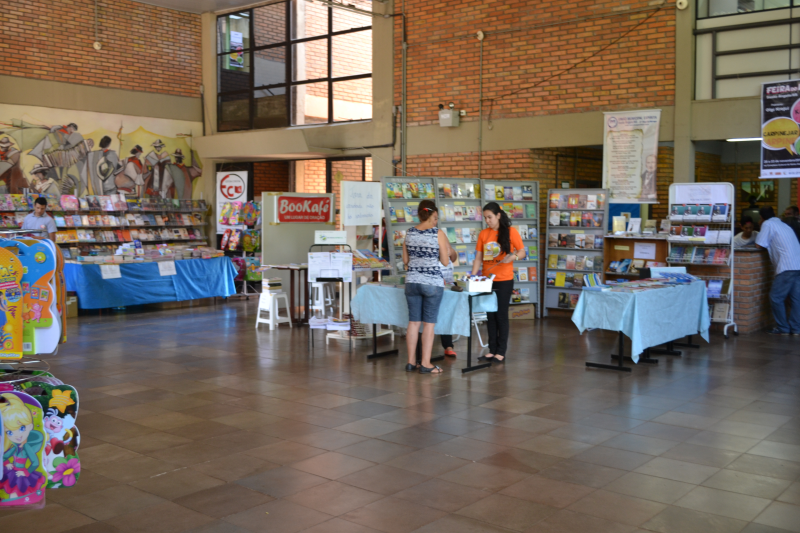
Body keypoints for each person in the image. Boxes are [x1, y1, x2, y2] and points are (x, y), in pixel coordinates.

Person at [472, 202, 526, 362]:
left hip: (504, 280)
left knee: (501, 315)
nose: (487, 220)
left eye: (490, 217)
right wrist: (473, 276)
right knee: (490, 315)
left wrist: (513, 257)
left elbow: (522, 252)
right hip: (486, 280)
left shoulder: (511, 232)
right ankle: (492, 350)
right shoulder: (483, 234)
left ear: (498, 215)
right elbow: (478, 258)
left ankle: (501, 352)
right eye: (485, 218)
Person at [402, 199, 450, 374]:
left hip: (412, 282)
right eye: (436, 217)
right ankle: (426, 364)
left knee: (413, 322)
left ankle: (410, 362)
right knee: (429, 324)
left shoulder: (409, 232)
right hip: (432, 283)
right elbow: (445, 261)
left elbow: (405, 260)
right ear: (433, 215)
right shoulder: (438, 233)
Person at [755, 206, 800, 335]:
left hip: (786, 266)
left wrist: (761, 224)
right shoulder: (783, 224)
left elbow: (759, 244)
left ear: (761, 217)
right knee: (796, 298)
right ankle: (796, 329)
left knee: (776, 297)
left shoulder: (768, 224)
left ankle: (783, 328)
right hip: (797, 265)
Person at [440, 243, 459, 358]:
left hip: (448, 286)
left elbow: (454, 257)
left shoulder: (444, 242)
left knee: (446, 316)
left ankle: (448, 346)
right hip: (434, 286)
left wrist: (450, 251)